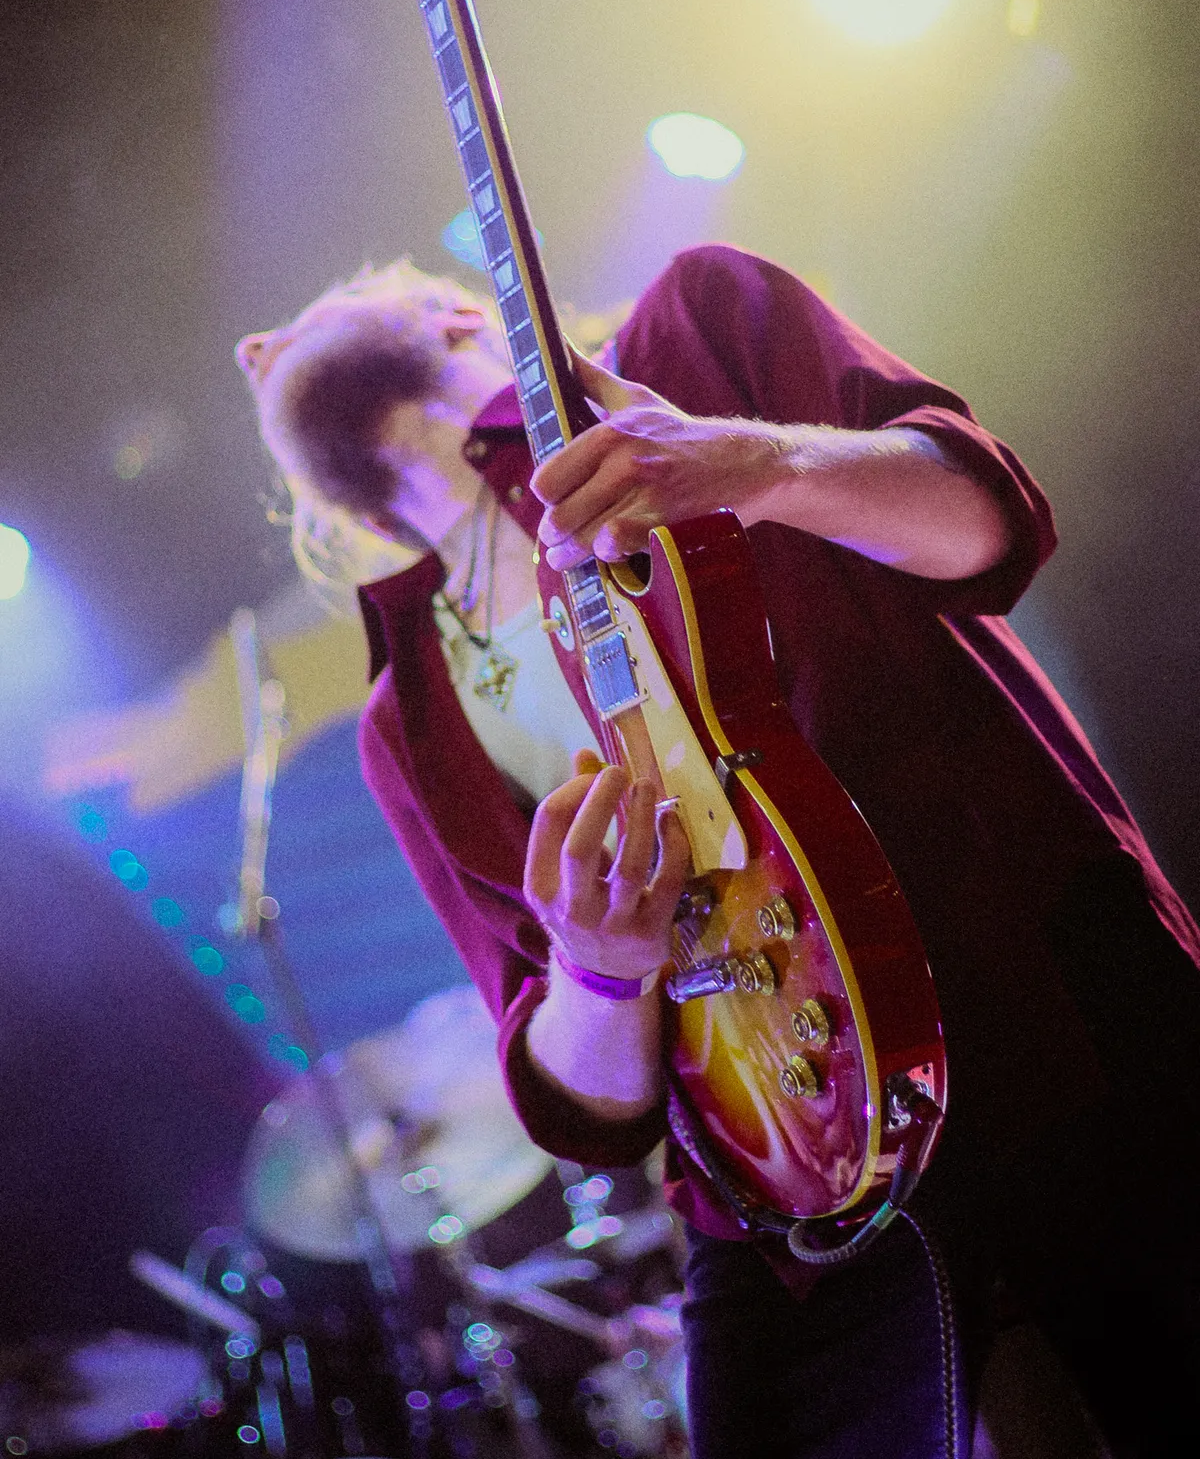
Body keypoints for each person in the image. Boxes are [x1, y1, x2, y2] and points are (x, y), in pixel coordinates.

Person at [237, 246, 1200, 1458]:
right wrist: (597, 965)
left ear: (457, 312)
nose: (262, 342)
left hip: (1048, 1004)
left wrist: (761, 464)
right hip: (781, 1179)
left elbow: (989, 524)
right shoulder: (405, 720)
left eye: (335, 300)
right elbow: (589, 1105)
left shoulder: (692, 335)